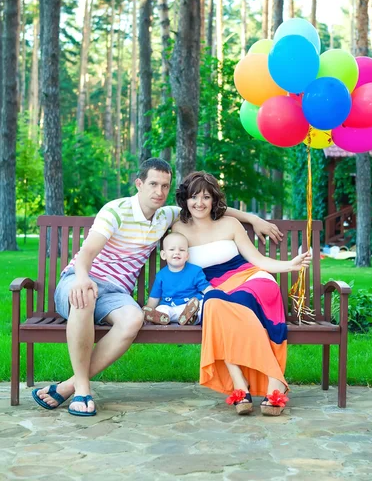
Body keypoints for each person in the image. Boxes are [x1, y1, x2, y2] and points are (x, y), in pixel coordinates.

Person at [31, 158, 283, 416]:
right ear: (138, 184)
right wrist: (83, 278)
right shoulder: (115, 210)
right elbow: (87, 253)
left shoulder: (166, 215)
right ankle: (82, 389)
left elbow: (209, 207)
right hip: (80, 277)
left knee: (134, 319)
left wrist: (253, 219)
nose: (159, 192)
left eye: (165, 185)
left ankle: (67, 385)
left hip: (116, 292)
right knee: (84, 298)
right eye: (153, 184)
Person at [173, 171, 312, 416]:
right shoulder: (177, 227)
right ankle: (240, 384)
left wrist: (290, 265)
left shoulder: (229, 223)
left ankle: (274, 381)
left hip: (252, 279)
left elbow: (257, 259)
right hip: (216, 288)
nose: (200, 203)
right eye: (194, 196)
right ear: (185, 199)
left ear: (214, 200)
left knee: (238, 305)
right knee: (213, 305)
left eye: (206, 196)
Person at [143, 232, 212, 326]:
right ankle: (159, 317)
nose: (177, 252)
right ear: (163, 255)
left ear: (187, 256)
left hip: (192, 307)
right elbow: (154, 297)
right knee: (162, 309)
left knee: (203, 304)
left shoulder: (195, 271)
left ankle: (192, 318)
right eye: (171, 249)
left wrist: (217, 296)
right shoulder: (161, 276)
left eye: (182, 250)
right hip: (171, 308)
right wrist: (149, 309)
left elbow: (206, 289)